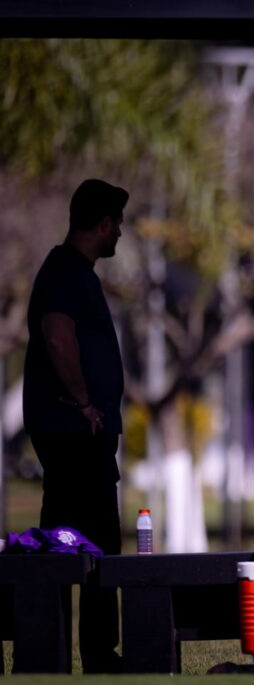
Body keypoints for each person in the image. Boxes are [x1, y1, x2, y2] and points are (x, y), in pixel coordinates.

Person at [23, 178, 129, 673]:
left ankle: (55, 651)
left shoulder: (73, 271)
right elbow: (56, 334)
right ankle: (90, 655)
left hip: (76, 434)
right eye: (118, 224)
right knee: (91, 543)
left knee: (75, 542)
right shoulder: (66, 270)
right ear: (103, 223)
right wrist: (86, 402)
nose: (121, 235)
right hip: (73, 434)